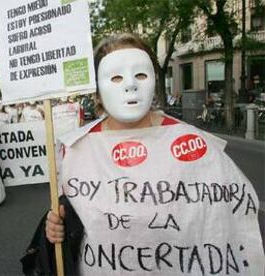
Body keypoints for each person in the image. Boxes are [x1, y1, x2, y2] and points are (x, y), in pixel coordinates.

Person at [38, 34, 264, 275]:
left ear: (154, 80)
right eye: (115, 77)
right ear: (98, 89)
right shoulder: (73, 148)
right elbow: (68, 214)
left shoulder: (192, 143)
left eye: (140, 75)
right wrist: (56, 226)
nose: (130, 85)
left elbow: (224, 220)